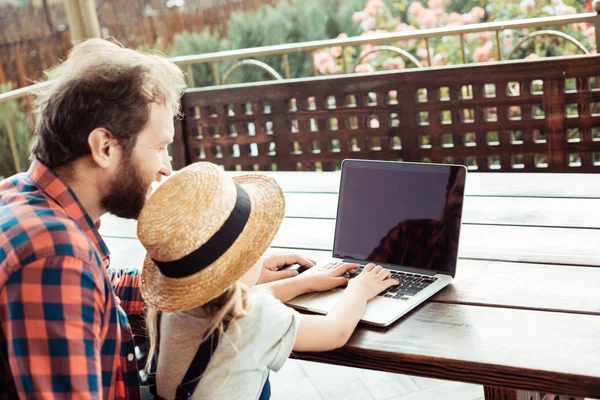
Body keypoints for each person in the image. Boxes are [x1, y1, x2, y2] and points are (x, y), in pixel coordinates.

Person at [0, 39, 314, 399]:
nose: (166, 167)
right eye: (160, 146)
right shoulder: (57, 259)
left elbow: (98, 287)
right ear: (105, 147)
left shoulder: (22, 194)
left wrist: (208, 277)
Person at [138, 162, 399, 400]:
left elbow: (241, 302)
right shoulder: (256, 319)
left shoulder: (174, 309)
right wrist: (359, 289)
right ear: (242, 260)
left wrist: (305, 283)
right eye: (258, 246)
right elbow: (335, 331)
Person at [367, 167, 466, 273]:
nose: (463, 203)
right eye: (459, 192)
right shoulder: (407, 233)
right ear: (448, 194)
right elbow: (367, 274)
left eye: (469, 196)